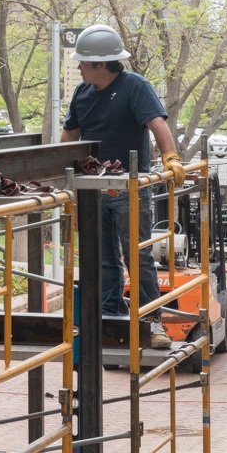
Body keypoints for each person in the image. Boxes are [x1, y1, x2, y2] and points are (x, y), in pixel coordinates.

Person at [60, 24, 186, 350]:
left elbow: (157, 123)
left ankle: (151, 321)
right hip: (93, 190)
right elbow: (68, 138)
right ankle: (107, 319)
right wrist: (59, 175)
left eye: (84, 63)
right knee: (102, 259)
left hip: (129, 189)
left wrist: (171, 156)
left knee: (138, 256)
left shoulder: (134, 87)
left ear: (102, 64)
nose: (79, 68)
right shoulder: (82, 94)